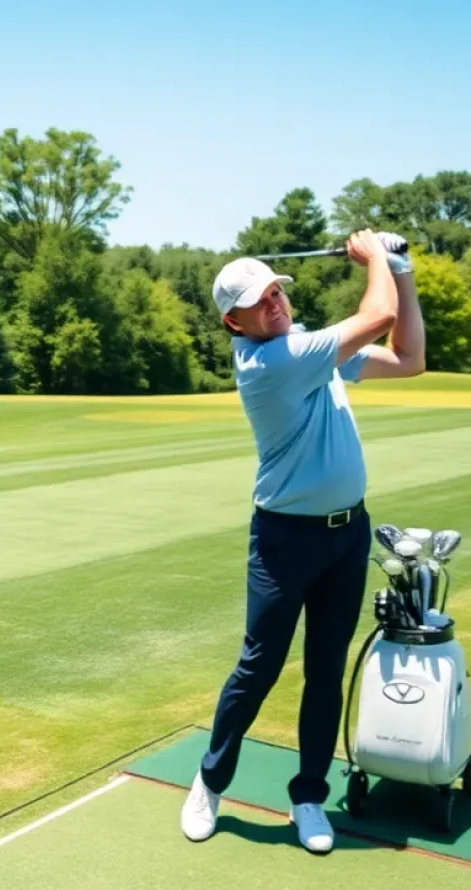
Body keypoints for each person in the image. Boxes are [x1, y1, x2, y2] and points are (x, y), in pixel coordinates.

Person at [180, 228, 426, 854]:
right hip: (285, 541)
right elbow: (378, 316)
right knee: (259, 665)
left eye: (276, 291)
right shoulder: (274, 363)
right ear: (234, 324)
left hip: (347, 536)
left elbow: (408, 356)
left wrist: (401, 268)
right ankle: (210, 782)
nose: (276, 303)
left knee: (325, 669)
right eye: (260, 301)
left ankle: (309, 797)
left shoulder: (300, 344)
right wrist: (374, 258)